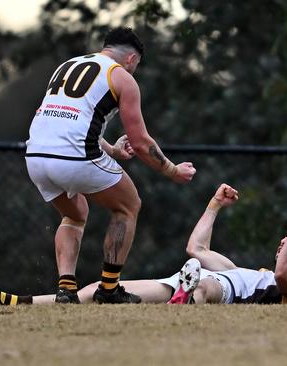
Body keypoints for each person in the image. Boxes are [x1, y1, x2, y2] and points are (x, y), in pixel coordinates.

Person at [24, 26, 196, 304]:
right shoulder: (122, 77)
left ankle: (66, 290)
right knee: (128, 205)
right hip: (73, 158)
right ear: (131, 59)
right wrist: (173, 171)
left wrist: (112, 149)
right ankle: (109, 288)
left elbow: (65, 121)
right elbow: (141, 143)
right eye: (136, 66)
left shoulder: (68, 66)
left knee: (75, 214)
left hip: (35, 157)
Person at [0, 184, 287, 305]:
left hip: (211, 289)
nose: (284, 243)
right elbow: (196, 249)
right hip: (187, 279)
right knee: (101, 290)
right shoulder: (243, 271)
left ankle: (185, 299)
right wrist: (214, 205)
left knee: (203, 283)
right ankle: (6, 300)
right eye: (284, 239)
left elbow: (283, 275)